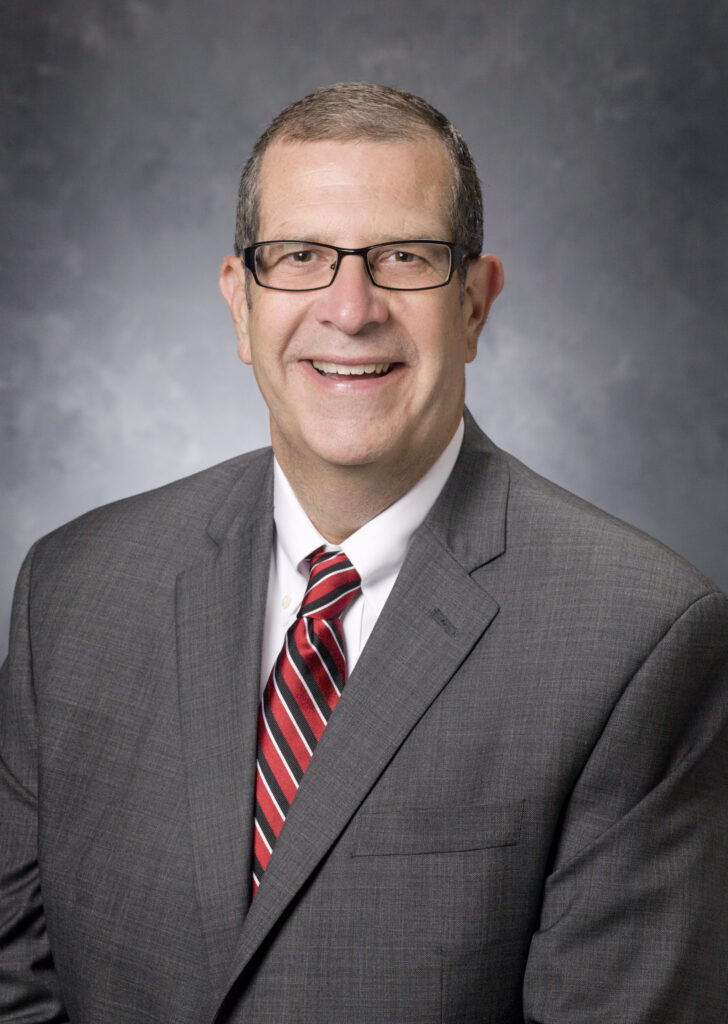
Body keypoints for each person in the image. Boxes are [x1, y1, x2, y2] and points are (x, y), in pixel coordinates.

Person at [1, 82, 727, 1024]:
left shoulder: (641, 641)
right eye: (300, 256)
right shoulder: (72, 589)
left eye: (404, 258)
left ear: (474, 302)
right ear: (240, 303)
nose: (350, 309)